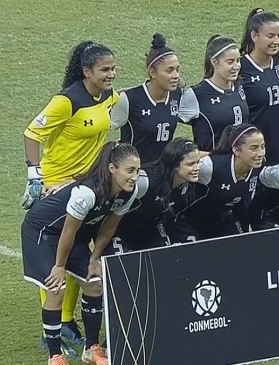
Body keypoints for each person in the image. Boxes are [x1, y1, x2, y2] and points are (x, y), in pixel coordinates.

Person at [21, 40, 119, 357]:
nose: (111, 75)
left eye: (113, 69)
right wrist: (37, 177)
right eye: (105, 70)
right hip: (55, 184)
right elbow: (31, 134)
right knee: (53, 251)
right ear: (87, 71)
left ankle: (67, 322)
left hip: (86, 182)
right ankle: (57, 328)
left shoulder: (110, 97)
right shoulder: (67, 101)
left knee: (76, 247)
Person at [21, 142, 140, 365]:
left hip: (73, 236)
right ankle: (55, 356)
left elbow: (108, 227)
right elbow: (68, 230)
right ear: (112, 168)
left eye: (137, 171)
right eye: (130, 170)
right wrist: (59, 267)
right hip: (43, 232)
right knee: (55, 288)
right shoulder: (86, 192)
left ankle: (91, 349)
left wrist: (94, 259)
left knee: (94, 282)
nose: (134, 177)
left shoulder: (128, 192)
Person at [164, 123, 265, 242]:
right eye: (254, 148)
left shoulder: (258, 166)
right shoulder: (209, 167)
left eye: (262, 147)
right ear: (236, 151)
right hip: (190, 222)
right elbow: (181, 161)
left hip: (221, 221)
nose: (260, 153)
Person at [103, 138, 202, 255]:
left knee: (163, 259)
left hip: (151, 227)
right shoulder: (145, 182)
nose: (197, 168)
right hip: (122, 227)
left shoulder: (188, 182)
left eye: (198, 162)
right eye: (190, 164)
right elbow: (110, 193)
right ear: (175, 165)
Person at [110, 33, 183, 164]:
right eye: (169, 70)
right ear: (153, 73)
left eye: (177, 70)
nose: (176, 75)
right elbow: (106, 127)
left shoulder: (177, 94)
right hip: (135, 173)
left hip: (163, 171)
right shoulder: (130, 99)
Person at [178, 35, 248, 151]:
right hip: (212, 166)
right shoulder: (197, 94)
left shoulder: (239, 86)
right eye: (230, 62)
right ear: (214, 62)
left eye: (238, 60)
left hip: (240, 165)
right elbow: (169, 118)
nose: (236, 66)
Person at [239, 7, 279, 164]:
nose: (276, 41)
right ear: (254, 36)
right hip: (252, 150)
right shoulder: (241, 66)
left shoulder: (278, 60)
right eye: (270, 36)